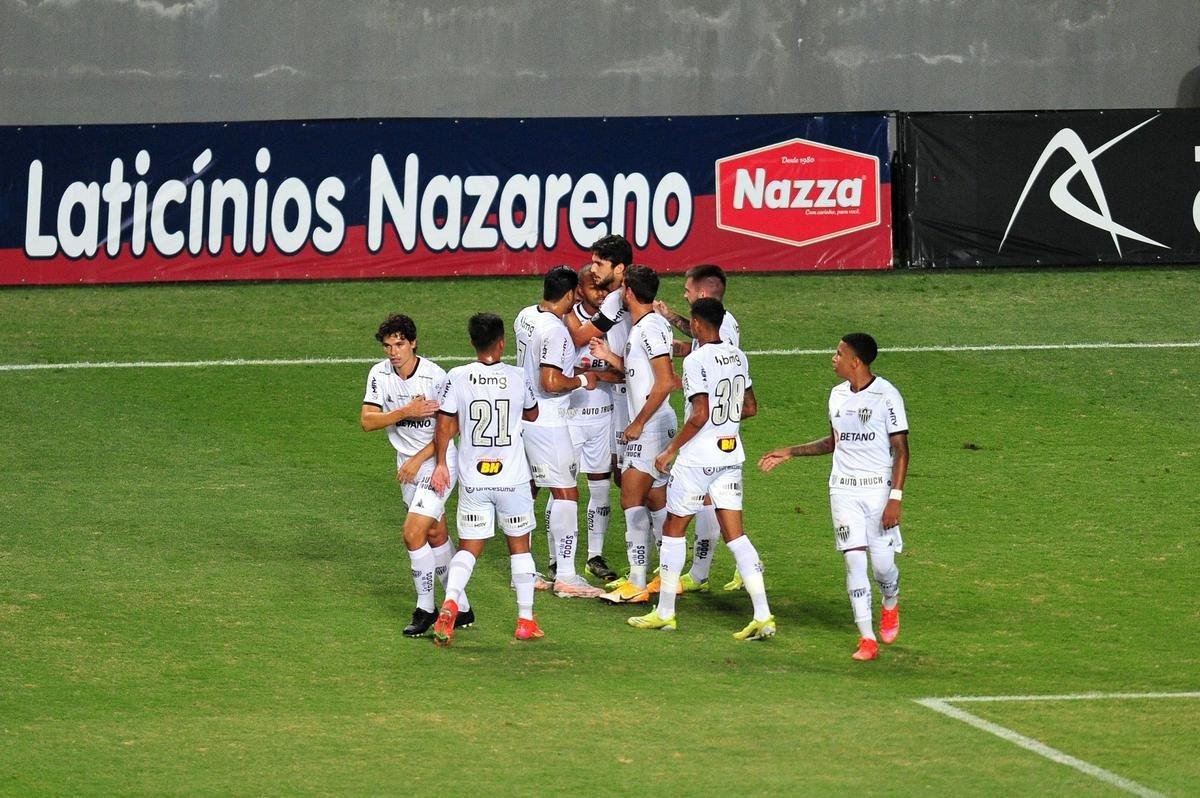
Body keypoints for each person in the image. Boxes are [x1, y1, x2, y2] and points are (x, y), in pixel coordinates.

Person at [629, 298, 775, 639]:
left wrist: (670, 450)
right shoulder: (739, 356)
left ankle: (665, 612)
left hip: (697, 460)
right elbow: (750, 407)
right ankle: (763, 614)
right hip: (730, 455)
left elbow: (698, 414)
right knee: (736, 536)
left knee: (674, 530)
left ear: (696, 323)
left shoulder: (696, 360)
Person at [758, 333, 909, 661]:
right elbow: (834, 442)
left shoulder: (887, 396)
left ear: (855, 361)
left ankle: (890, 602)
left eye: (839, 353)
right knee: (854, 559)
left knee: (883, 567)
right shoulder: (837, 396)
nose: (833, 358)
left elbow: (901, 450)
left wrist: (895, 498)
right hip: (843, 489)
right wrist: (791, 451)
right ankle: (866, 637)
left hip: (878, 490)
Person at [429, 313, 544, 646]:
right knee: (519, 548)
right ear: (502, 342)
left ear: (472, 343)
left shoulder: (458, 376)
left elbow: (445, 424)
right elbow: (533, 413)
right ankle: (525, 620)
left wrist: (440, 463)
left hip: (473, 479)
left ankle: (451, 601)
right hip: (512, 478)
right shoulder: (518, 375)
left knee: (469, 549)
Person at [360, 313, 473, 637]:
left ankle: (426, 608)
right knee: (435, 534)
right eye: (388, 346)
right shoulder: (379, 375)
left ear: (413, 343)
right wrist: (404, 412)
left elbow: (451, 427)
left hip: (437, 461)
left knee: (412, 533)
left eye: (399, 344)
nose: (394, 352)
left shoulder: (435, 377)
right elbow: (367, 421)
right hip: (407, 467)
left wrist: (428, 461)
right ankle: (462, 607)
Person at [514, 266, 605, 598]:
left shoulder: (525, 316)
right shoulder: (553, 330)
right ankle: (566, 576)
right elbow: (549, 381)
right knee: (567, 494)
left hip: (524, 417)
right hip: (548, 421)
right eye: (576, 294)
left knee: (528, 489)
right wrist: (582, 380)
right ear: (568, 295)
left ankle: (521, 571)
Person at [590, 264, 678, 604]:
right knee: (656, 499)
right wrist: (608, 356)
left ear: (628, 292)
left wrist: (639, 422)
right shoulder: (646, 326)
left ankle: (638, 581)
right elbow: (638, 371)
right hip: (655, 422)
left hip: (651, 425)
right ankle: (664, 575)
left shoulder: (650, 328)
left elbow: (665, 380)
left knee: (630, 497)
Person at [654, 264, 742, 592]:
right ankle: (707, 571)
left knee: (706, 505)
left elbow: (713, 356)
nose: (684, 293)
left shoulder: (725, 329)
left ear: (703, 293)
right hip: (711, 428)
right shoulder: (715, 327)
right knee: (717, 503)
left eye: (688, 289)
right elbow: (697, 340)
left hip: (708, 430)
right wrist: (671, 327)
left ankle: (721, 569)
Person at [567, 264, 620, 583]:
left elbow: (624, 372)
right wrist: (595, 376)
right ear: (578, 291)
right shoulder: (565, 322)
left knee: (600, 489)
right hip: (570, 418)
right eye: (594, 287)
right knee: (563, 491)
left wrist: (595, 375)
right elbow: (556, 376)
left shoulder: (615, 321)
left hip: (604, 417)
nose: (601, 294)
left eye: (604, 288)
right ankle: (559, 560)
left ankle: (594, 557)